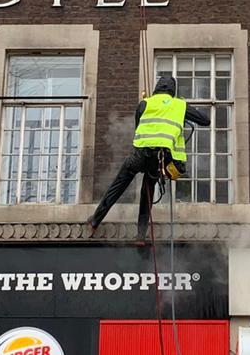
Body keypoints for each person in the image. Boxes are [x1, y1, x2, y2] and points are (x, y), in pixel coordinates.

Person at [88, 73, 210, 241]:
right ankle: (140, 236)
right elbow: (206, 121)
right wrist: (182, 107)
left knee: (118, 185)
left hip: (140, 154)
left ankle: (95, 221)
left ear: (156, 89)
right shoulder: (179, 105)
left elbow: (138, 127)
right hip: (163, 157)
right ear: (173, 91)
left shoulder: (144, 103)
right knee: (148, 188)